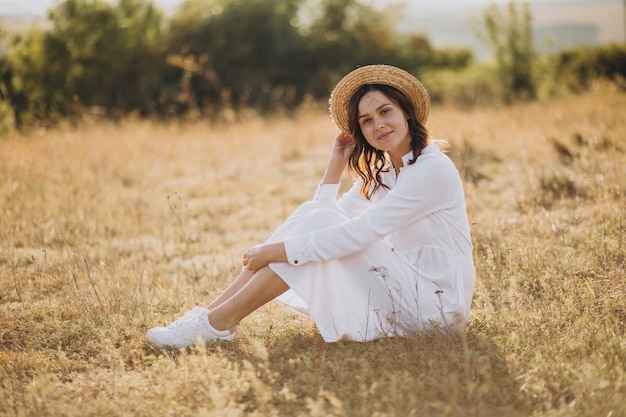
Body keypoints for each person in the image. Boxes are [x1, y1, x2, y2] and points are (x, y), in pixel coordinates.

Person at [147, 64, 475, 348]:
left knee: (310, 238)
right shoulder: (386, 172)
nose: (378, 125)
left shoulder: (430, 168)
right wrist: (335, 164)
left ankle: (215, 323)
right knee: (314, 220)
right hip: (409, 287)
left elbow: (359, 233)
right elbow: (324, 215)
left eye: (385, 111)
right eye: (366, 120)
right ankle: (212, 318)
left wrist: (277, 251)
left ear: (406, 111)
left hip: (436, 307)